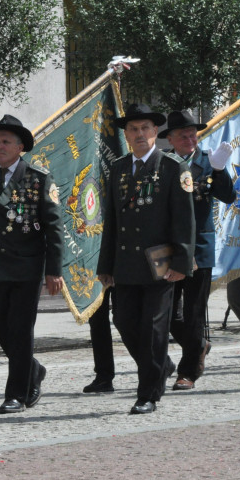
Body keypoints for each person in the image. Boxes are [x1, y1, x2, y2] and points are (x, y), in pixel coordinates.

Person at [97, 103, 195, 414]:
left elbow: (184, 220)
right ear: (126, 135)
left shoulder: (172, 168)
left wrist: (182, 263)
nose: (140, 134)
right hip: (125, 263)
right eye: (133, 129)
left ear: (155, 133)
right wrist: (105, 266)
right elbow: (111, 220)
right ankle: (161, 365)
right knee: (124, 321)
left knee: (154, 328)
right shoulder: (119, 168)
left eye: (145, 129)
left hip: (160, 265)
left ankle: (148, 393)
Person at [0, 114, 63, 413]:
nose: (0, 146)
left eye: (6, 141)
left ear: (20, 147)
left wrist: (54, 270)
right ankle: (33, 369)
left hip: (26, 267)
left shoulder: (38, 178)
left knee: (19, 330)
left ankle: (16, 392)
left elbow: (54, 227)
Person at [159, 110, 235, 390]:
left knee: (193, 312)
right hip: (168, 249)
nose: (190, 139)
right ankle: (199, 345)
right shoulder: (163, 162)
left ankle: (188, 371)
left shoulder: (208, 160)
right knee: (165, 313)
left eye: (193, 134)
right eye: (183, 135)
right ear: (170, 138)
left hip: (199, 247)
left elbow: (228, 196)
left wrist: (219, 170)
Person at [81, 289, 116, 393]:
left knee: (124, 318)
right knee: (97, 320)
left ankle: (155, 363)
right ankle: (103, 377)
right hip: (96, 276)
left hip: (122, 274)